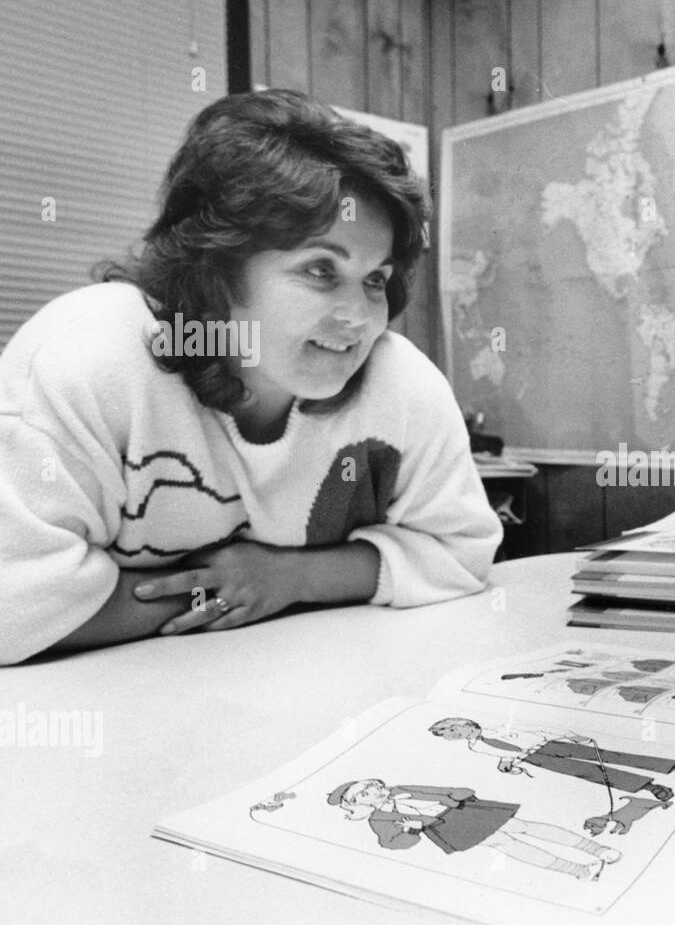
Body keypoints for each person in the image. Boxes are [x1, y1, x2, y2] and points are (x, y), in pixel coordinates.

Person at [0, 89, 502, 664]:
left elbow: (464, 553)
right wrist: (217, 592)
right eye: (320, 269)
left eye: (375, 279)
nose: (360, 318)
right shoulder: (89, 359)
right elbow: (11, 608)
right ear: (217, 266)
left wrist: (292, 578)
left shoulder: (402, 382)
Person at [327, 778, 620, 880]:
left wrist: (455, 795)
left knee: (524, 827)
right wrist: (412, 829)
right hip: (448, 828)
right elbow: (391, 844)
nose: (376, 791)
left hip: (464, 811)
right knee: (506, 844)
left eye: (374, 786)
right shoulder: (378, 818)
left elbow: (443, 790)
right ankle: (578, 871)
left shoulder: (401, 790)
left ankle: (597, 850)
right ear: (355, 802)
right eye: (366, 792)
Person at [428, 717, 675, 803]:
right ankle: (649, 787)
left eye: (452, 728)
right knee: (588, 773)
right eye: (446, 735)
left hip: (549, 742)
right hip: (536, 758)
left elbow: (537, 728)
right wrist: (506, 764)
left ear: (465, 722)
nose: (452, 734)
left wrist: (570, 735)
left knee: (610, 755)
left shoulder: (501, 725)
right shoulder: (476, 747)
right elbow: (504, 752)